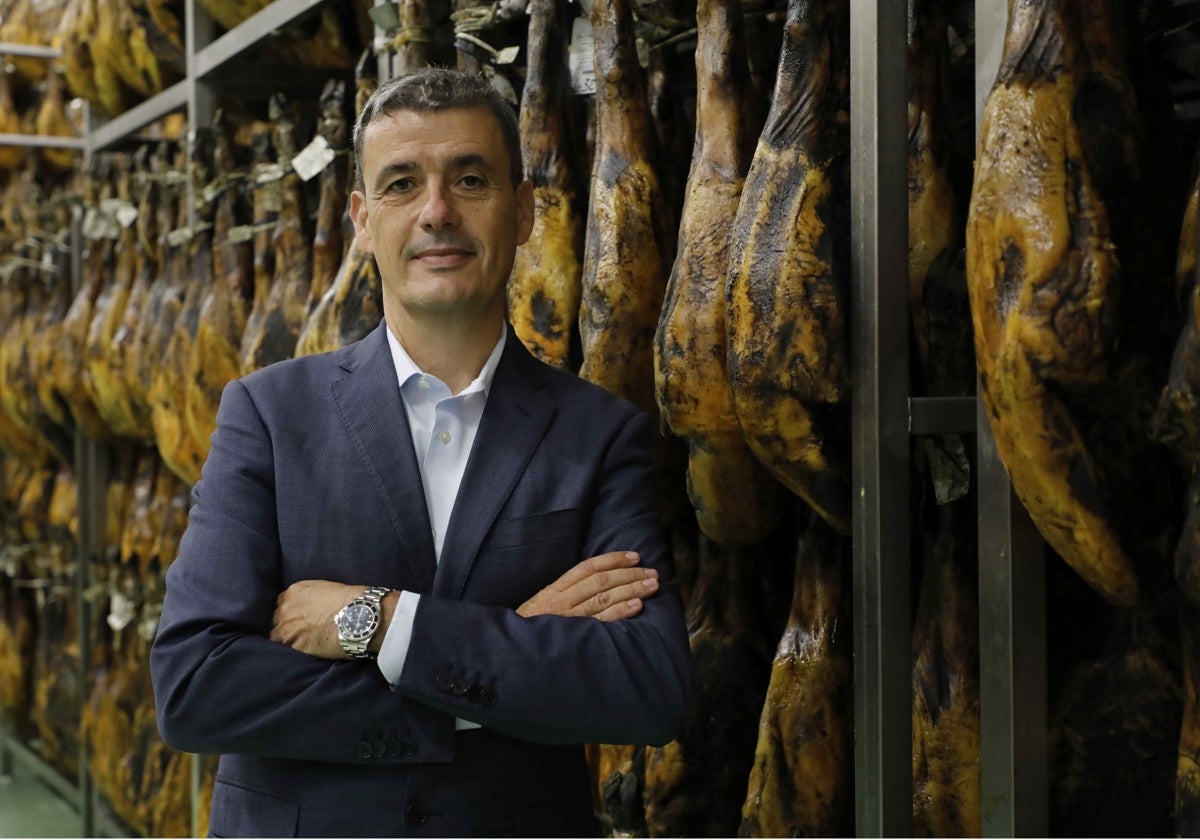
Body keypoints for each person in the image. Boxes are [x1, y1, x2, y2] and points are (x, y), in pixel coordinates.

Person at [149, 66, 693, 838]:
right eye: (403, 184)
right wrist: (498, 660)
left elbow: (646, 686)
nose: (437, 212)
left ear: (526, 209)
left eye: (470, 179)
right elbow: (195, 688)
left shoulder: (597, 434)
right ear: (363, 221)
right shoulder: (268, 414)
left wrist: (382, 623)